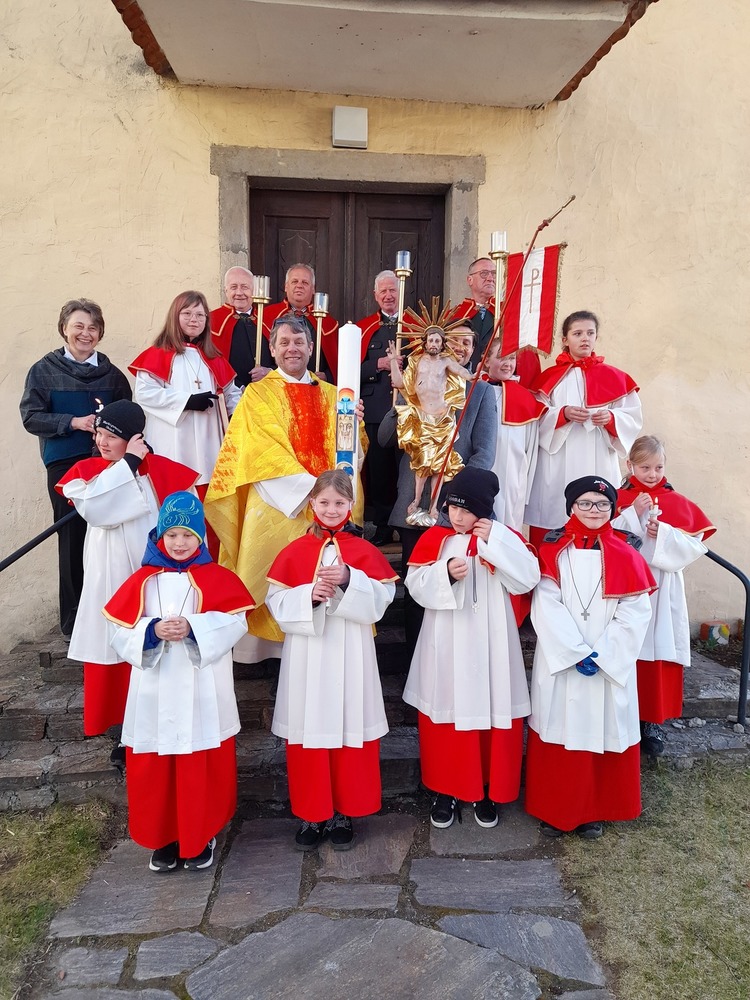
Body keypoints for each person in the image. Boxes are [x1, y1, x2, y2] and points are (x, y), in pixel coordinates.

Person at [103, 492, 255, 872]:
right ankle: (164, 837)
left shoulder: (218, 578)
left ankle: (199, 835)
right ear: (160, 536)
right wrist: (151, 631)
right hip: (154, 690)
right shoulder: (142, 581)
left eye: (188, 535)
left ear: (200, 537)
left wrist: (194, 627)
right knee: (156, 767)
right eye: (171, 534)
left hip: (200, 688)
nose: (179, 542)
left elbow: (236, 622)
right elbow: (118, 631)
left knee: (197, 763)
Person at [205, 316, 365, 663]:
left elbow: (351, 452)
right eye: (284, 342)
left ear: (311, 347)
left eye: (299, 342)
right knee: (276, 577)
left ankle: (323, 650)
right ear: (273, 349)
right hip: (278, 504)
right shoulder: (257, 394)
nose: (292, 348)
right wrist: (315, 492)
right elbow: (260, 450)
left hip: (329, 507)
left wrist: (353, 425)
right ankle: (271, 656)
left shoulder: (335, 395)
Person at [266, 470, 398, 850]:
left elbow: (381, 601)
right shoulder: (294, 551)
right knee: (309, 730)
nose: (331, 509)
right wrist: (307, 596)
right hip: (307, 657)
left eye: (339, 503)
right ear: (312, 503)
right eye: (323, 502)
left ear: (351, 505)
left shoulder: (365, 552)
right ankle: (312, 813)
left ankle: (344, 812)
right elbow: (275, 603)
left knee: (348, 726)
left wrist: (348, 579)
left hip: (350, 650)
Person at [403, 468, 540, 830]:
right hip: (446, 639)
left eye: (466, 510)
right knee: (446, 709)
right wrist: (445, 573)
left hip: (492, 639)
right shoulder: (437, 539)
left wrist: (496, 541)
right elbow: (415, 585)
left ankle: (487, 788)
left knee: (491, 708)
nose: (458, 516)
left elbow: (527, 578)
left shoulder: (504, 537)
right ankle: (445, 789)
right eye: (453, 508)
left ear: (484, 509)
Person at [55, 400, 198, 740]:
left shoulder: (167, 474)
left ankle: (154, 725)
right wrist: (129, 463)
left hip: (154, 577)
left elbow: (187, 528)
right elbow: (98, 509)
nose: (102, 442)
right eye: (99, 434)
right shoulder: (88, 473)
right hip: (109, 575)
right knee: (113, 643)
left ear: (134, 438)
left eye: (112, 436)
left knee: (154, 644)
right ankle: (119, 727)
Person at [525, 476, 655, 839]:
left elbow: (635, 612)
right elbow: (546, 604)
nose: (593, 510)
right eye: (585, 503)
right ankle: (555, 809)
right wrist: (573, 651)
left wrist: (603, 655)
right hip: (562, 660)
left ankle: (594, 810)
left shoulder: (627, 553)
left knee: (601, 728)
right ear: (571, 507)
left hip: (607, 662)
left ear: (613, 509)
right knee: (559, 729)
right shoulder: (552, 550)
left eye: (602, 504)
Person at [378, 327, 497, 655]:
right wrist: (402, 401)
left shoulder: (481, 391)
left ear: (473, 350)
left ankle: (453, 663)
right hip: (413, 508)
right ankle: (414, 669)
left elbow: (484, 454)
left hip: (460, 511)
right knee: (417, 592)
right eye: (454, 340)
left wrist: (458, 498)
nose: (459, 347)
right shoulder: (417, 380)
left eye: (467, 342)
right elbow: (385, 439)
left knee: (459, 590)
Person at [20, 298, 132, 638]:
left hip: (107, 463)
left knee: (111, 534)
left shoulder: (113, 375)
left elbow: (129, 417)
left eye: (93, 327)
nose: (86, 333)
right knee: (72, 537)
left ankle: (111, 612)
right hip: (65, 464)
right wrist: (73, 422)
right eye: (78, 326)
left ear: (100, 333)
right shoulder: (43, 370)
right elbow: (31, 417)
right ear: (64, 329)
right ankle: (73, 621)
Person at [612, 435, 715, 757]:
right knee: (625, 646)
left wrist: (666, 535)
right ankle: (621, 716)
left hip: (662, 586)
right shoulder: (616, 498)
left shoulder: (676, 501)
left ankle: (652, 722)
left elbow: (696, 544)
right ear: (630, 465)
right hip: (626, 586)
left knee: (656, 649)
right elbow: (605, 535)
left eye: (658, 467)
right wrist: (631, 514)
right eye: (645, 467)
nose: (652, 474)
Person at [525, 310, 643, 550]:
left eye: (590, 333)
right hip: (557, 462)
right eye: (577, 333)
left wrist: (611, 418)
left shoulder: (615, 377)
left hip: (598, 456)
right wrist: (562, 414)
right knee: (555, 517)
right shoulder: (549, 378)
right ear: (565, 339)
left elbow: (632, 418)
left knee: (599, 518)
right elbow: (534, 417)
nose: (585, 338)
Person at [129, 290, 242, 519]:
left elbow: (233, 396)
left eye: (200, 315)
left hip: (209, 442)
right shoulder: (158, 354)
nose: (194, 320)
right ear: (175, 316)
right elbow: (144, 393)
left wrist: (242, 415)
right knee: (174, 502)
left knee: (208, 506)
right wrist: (186, 401)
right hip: (173, 442)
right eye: (187, 313)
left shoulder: (214, 357)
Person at [387, 324, 476, 520]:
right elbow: (400, 383)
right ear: (425, 342)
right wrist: (393, 360)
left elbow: (461, 371)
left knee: (439, 467)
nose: (434, 344)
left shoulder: (446, 361)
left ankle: (433, 506)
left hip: (443, 420)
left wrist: (472, 375)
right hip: (422, 419)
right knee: (423, 464)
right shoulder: (416, 362)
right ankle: (417, 500)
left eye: (437, 340)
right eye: (431, 340)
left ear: (442, 344)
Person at [357, 270, 403, 545]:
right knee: (381, 472)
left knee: (406, 470)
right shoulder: (364, 329)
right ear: (375, 295)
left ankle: (407, 525)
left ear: (400, 292)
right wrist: (379, 364)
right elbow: (350, 369)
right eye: (383, 291)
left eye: (392, 290)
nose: (388, 295)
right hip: (375, 412)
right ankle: (384, 526)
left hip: (409, 410)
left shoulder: (414, 326)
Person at [484, 342, 547, 532]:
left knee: (507, 529)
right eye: (501, 357)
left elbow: (531, 449)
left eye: (511, 358)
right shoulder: (472, 390)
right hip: (477, 471)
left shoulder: (526, 399)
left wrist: (525, 487)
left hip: (511, 478)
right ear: (486, 361)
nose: (508, 364)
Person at [450, 258, 541, 387]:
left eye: (494, 274)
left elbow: (526, 356)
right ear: (470, 280)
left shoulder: (510, 313)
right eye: (484, 273)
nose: (490, 278)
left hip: (500, 386)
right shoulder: (454, 315)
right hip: (461, 383)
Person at [261, 263, 338, 379]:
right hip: (276, 384)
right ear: (286, 286)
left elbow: (334, 363)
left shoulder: (328, 323)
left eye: (305, 282)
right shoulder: (266, 316)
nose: (299, 286)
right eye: (294, 281)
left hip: (314, 385)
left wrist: (327, 376)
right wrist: (270, 372)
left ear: (313, 289)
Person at [210, 266, 273, 387]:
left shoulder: (269, 321)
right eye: (233, 287)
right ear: (226, 290)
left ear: (254, 290)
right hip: (230, 393)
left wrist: (269, 372)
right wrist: (236, 388)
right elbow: (211, 364)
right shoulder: (211, 321)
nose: (239, 293)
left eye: (244, 287)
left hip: (267, 391)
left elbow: (284, 359)